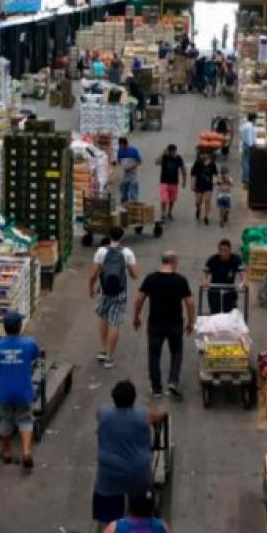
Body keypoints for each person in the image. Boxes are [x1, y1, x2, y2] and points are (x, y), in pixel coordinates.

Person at [93, 381, 167, 525]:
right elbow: (158, 416)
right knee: (142, 497)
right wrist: (163, 409)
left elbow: (98, 415)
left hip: (109, 471)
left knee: (109, 510)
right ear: (134, 398)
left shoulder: (103, 413)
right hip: (137, 471)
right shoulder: (143, 415)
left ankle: (111, 526)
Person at [133, 251, 195, 399]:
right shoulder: (180, 280)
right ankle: (173, 381)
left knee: (154, 355)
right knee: (176, 352)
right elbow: (190, 303)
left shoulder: (151, 279)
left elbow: (139, 299)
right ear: (174, 262)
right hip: (175, 323)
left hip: (155, 323)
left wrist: (136, 317)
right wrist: (191, 322)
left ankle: (156, 389)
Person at [0, 311, 41, 471]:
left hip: (4, 391)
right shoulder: (29, 344)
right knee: (25, 420)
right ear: (20, 326)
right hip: (24, 391)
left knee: (4, 420)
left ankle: (7, 451)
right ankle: (26, 451)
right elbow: (36, 355)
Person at [89, 227, 139, 370]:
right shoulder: (127, 253)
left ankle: (103, 349)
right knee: (114, 323)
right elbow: (135, 275)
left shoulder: (101, 252)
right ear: (122, 237)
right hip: (119, 293)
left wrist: (90, 287)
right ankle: (110, 357)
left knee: (103, 318)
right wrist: (128, 268)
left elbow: (93, 274)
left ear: (109, 236)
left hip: (104, 291)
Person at [202, 239, 242, 314]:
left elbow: (242, 271)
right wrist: (205, 281)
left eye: (225, 250)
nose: (223, 253)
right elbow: (205, 272)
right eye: (221, 250)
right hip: (215, 291)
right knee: (215, 314)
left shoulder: (236, 259)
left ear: (230, 250)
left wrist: (244, 280)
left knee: (231, 313)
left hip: (230, 291)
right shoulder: (212, 260)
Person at [155, 145, 187, 221]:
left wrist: (184, 181)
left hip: (174, 182)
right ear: (168, 151)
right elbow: (156, 162)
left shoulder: (178, 158)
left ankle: (169, 212)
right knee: (164, 199)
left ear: (175, 151)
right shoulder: (164, 157)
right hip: (164, 182)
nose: (172, 153)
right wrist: (162, 153)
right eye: (170, 151)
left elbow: (183, 169)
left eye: (174, 151)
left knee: (172, 199)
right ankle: (163, 213)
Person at [190, 151, 218, 225]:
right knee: (198, 201)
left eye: (205, 154)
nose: (204, 155)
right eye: (202, 154)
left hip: (208, 185)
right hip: (199, 185)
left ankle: (206, 216)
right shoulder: (197, 163)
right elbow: (193, 174)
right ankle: (198, 209)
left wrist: (215, 181)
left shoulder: (212, 164)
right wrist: (192, 184)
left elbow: (215, 174)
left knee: (207, 200)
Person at [116, 137, 142, 204]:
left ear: (125, 144)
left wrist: (132, 166)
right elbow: (119, 160)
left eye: (121, 145)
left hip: (133, 172)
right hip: (125, 173)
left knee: (133, 187)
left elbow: (139, 161)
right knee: (123, 187)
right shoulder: (120, 151)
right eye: (119, 145)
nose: (120, 147)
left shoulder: (134, 150)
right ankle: (124, 203)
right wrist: (122, 165)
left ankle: (133, 204)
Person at [239, 112, 258, 186]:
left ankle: (244, 177)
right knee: (247, 162)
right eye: (255, 119)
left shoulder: (245, 125)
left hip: (245, 144)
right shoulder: (250, 127)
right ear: (253, 119)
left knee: (244, 161)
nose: (256, 120)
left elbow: (241, 132)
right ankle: (247, 179)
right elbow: (250, 138)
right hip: (248, 145)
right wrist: (252, 146)